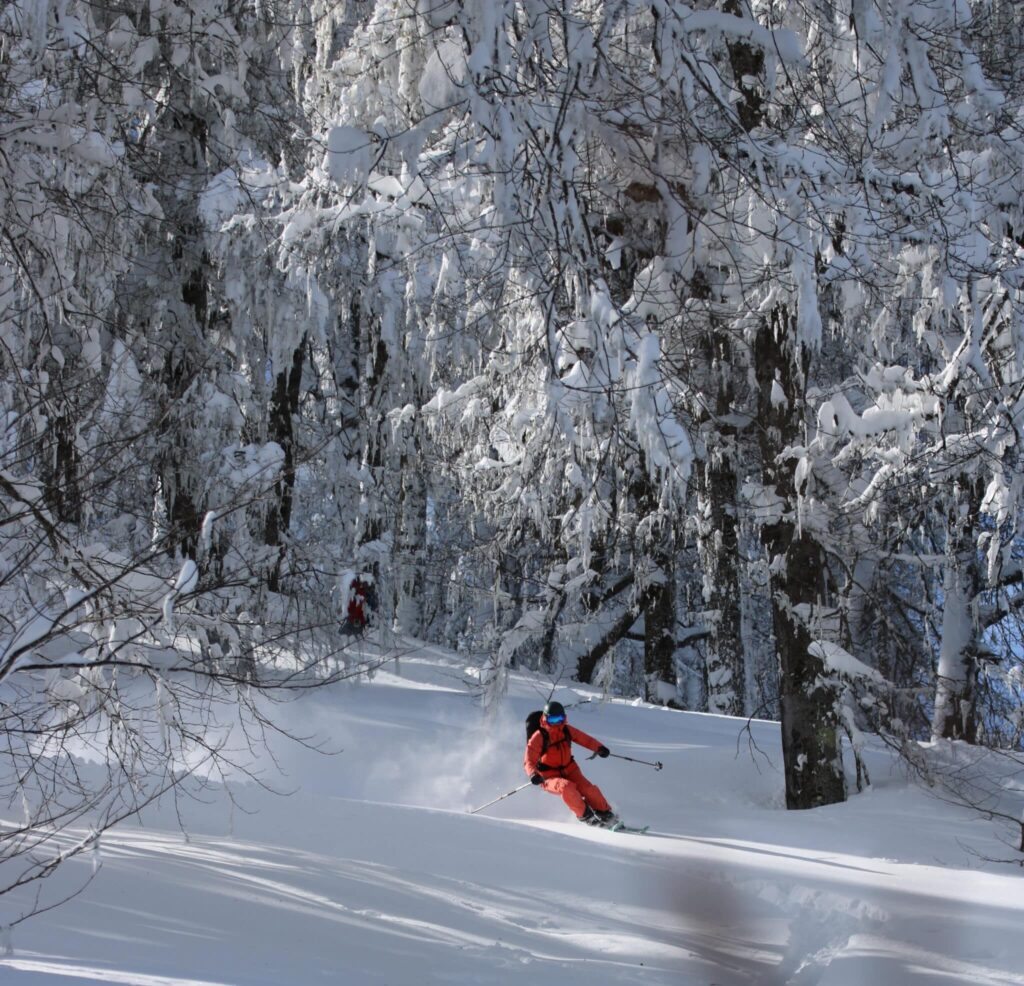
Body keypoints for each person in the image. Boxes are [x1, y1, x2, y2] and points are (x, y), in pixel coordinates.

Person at [524, 701, 617, 827]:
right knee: (566, 787)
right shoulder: (539, 736)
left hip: (571, 770)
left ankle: (605, 813)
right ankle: (586, 815)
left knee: (588, 789)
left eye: (560, 718)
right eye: (553, 719)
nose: (557, 722)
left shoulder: (566, 730)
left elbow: (584, 739)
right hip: (548, 776)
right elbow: (529, 759)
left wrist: (599, 748)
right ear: (546, 718)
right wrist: (533, 774)